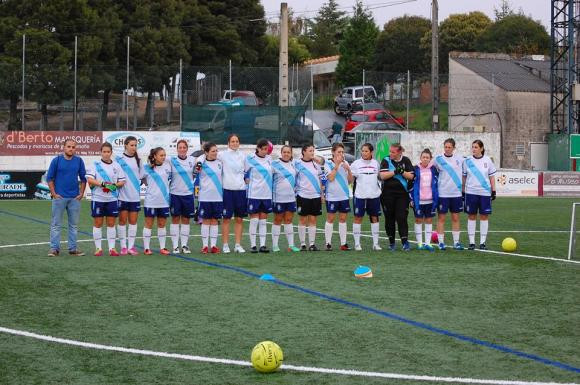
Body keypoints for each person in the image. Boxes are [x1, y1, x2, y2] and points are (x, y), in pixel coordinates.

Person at [47, 139, 87, 257]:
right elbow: (49, 178)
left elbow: (84, 179)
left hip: (74, 199)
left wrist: (81, 193)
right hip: (59, 198)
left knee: (73, 225)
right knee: (56, 224)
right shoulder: (56, 160)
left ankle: (73, 249)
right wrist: (54, 193)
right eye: (69, 146)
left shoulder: (79, 161)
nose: (71, 149)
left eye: (73, 147)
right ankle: (54, 249)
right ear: (63, 147)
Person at [86, 142, 126, 256]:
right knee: (98, 223)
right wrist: (103, 184)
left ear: (111, 153)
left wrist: (114, 186)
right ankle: (98, 248)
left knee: (111, 223)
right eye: (104, 152)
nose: (106, 154)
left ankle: (112, 248)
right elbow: (90, 180)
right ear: (101, 152)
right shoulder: (95, 165)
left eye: (108, 152)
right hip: (98, 199)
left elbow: (122, 181)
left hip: (112, 199)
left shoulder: (116, 166)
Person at [462, 140, 497, 250]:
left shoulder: (488, 160)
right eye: (473, 147)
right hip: (471, 192)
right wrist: (463, 191)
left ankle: (482, 243)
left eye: (476, 147)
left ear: (481, 148)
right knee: (471, 216)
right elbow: (464, 177)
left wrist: (494, 190)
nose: (474, 149)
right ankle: (471, 243)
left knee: (484, 216)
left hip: (485, 193)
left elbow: (491, 177)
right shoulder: (467, 161)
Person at [379, 143, 414, 251]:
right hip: (387, 194)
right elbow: (383, 176)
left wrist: (402, 171)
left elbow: (411, 176)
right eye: (390, 151)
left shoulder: (406, 160)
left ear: (399, 152)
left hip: (402, 195)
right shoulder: (386, 160)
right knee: (389, 218)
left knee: (401, 217)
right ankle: (392, 243)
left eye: (393, 152)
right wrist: (395, 171)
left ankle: (405, 242)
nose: (390, 154)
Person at [217, 134, 247, 253]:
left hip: (240, 191)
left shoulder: (243, 156)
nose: (235, 143)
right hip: (227, 190)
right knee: (226, 219)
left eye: (237, 141)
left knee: (239, 219)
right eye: (233, 141)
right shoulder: (222, 155)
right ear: (228, 143)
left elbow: (248, 170)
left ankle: (238, 245)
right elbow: (205, 157)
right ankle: (225, 245)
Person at [434, 138, 465, 250]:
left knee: (456, 218)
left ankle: (456, 242)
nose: (447, 149)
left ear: (453, 148)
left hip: (456, 193)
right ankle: (441, 242)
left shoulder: (460, 159)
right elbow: (431, 168)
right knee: (441, 218)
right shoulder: (438, 159)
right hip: (443, 193)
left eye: (449, 147)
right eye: (445, 147)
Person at [321, 143, 353, 251]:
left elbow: (350, 181)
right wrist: (337, 165)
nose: (341, 154)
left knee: (343, 219)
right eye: (339, 152)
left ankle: (343, 244)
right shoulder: (328, 164)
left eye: (342, 152)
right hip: (332, 196)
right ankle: (328, 243)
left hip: (344, 195)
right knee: (330, 218)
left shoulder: (346, 163)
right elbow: (330, 178)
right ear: (333, 152)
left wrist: (348, 170)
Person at [350, 143, 382, 251]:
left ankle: (376, 244)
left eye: (366, 151)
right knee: (358, 218)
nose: (364, 153)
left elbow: (379, 177)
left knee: (375, 218)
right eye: (362, 151)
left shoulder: (376, 163)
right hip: (360, 195)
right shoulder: (355, 164)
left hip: (374, 195)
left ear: (371, 152)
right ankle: (357, 244)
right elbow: (350, 180)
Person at [142, 147, 172, 255]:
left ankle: (163, 247)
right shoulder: (146, 168)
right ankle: (146, 248)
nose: (163, 157)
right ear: (154, 156)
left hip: (164, 201)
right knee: (149, 224)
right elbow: (140, 178)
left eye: (164, 155)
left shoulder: (168, 166)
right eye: (161, 155)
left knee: (162, 224)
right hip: (151, 201)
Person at [245, 139, 274, 253]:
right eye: (263, 149)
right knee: (254, 220)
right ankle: (253, 245)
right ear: (258, 148)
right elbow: (242, 171)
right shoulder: (250, 159)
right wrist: (245, 180)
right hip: (254, 194)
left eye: (266, 149)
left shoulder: (270, 159)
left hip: (266, 194)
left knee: (263, 220)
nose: (265, 151)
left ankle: (262, 245)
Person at [271, 145, 300, 252]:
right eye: (284, 152)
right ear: (281, 153)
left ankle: (291, 245)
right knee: (277, 220)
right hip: (278, 197)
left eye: (288, 152)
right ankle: (275, 246)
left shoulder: (294, 164)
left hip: (291, 197)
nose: (286, 154)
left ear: (291, 154)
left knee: (288, 220)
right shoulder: (274, 164)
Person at [169, 139, 196, 254]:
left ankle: (184, 245)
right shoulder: (171, 160)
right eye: (180, 147)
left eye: (184, 147)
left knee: (186, 220)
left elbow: (199, 167)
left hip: (188, 195)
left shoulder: (193, 160)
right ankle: (175, 246)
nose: (182, 149)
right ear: (177, 149)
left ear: (187, 149)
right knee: (175, 219)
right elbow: (157, 160)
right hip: (175, 194)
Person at [116, 136, 142, 256]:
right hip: (122, 196)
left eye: (135, 145)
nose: (134, 147)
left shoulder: (139, 160)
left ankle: (131, 247)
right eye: (131, 145)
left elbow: (141, 177)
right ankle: (123, 247)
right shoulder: (119, 159)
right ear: (125, 145)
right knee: (122, 221)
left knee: (133, 222)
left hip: (135, 197)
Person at [295, 143, 323, 251]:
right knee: (302, 219)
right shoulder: (297, 163)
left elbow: (320, 179)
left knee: (313, 219)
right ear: (304, 152)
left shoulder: (316, 165)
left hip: (315, 196)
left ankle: (312, 244)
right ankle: (302, 244)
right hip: (303, 195)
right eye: (310, 151)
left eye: (313, 151)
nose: (312, 153)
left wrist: (321, 194)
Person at [196, 142, 223, 254]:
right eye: (213, 151)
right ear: (206, 152)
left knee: (214, 221)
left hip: (218, 197)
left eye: (216, 151)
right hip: (205, 197)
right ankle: (205, 246)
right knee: (206, 221)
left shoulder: (220, 162)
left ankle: (213, 246)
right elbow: (198, 163)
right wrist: (200, 161)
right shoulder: (201, 163)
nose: (215, 153)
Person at [411, 149, 439, 251]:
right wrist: (411, 198)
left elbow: (437, 183)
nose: (425, 159)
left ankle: (428, 243)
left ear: (430, 159)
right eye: (423, 157)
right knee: (418, 220)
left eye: (427, 157)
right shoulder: (415, 169)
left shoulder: (434, 169)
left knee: (429, 220)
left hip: (431, 200)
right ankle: (419, 243)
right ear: (420, 158)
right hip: (419, 200)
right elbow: (411, 184)